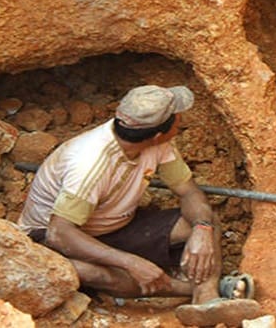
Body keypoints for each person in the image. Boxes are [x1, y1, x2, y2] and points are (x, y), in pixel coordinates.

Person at [17, 84, 260, 327]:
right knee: (89, 273)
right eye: (176, 117)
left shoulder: (159, 145)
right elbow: (59, 234)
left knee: (202, 219)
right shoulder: (90, 164)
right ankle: (197, 289)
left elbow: (189, 192)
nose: (180, 121)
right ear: (156, 133)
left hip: (115, 226)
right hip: (53, 238)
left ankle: (207, 299)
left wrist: (203, 229)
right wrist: (132, 262)